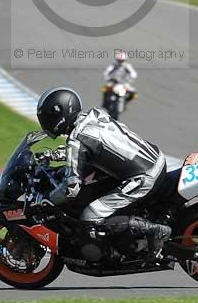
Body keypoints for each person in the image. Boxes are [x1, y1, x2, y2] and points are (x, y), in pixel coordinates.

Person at [36, 87, 171, 260]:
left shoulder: (77, 140)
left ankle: (155, 231)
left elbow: (72, 188)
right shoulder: (95, 116)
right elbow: (94, 148)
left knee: (90, 216)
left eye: (46, 117)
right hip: (155, 160)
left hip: (143, 177)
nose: (45, 122)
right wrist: (55, 155)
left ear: (58, 114)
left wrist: (47, 200)